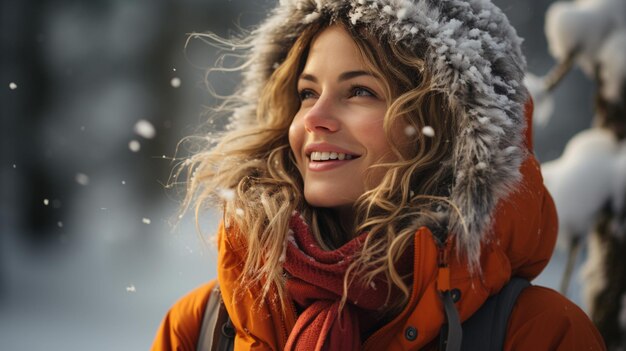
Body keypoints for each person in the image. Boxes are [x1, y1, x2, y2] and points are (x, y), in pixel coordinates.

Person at [152, 0, 605, 350]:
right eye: (307, 93)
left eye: (360, 91)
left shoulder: (537, 333)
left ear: (445, 125)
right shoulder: (205, 326)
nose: (315, 118)